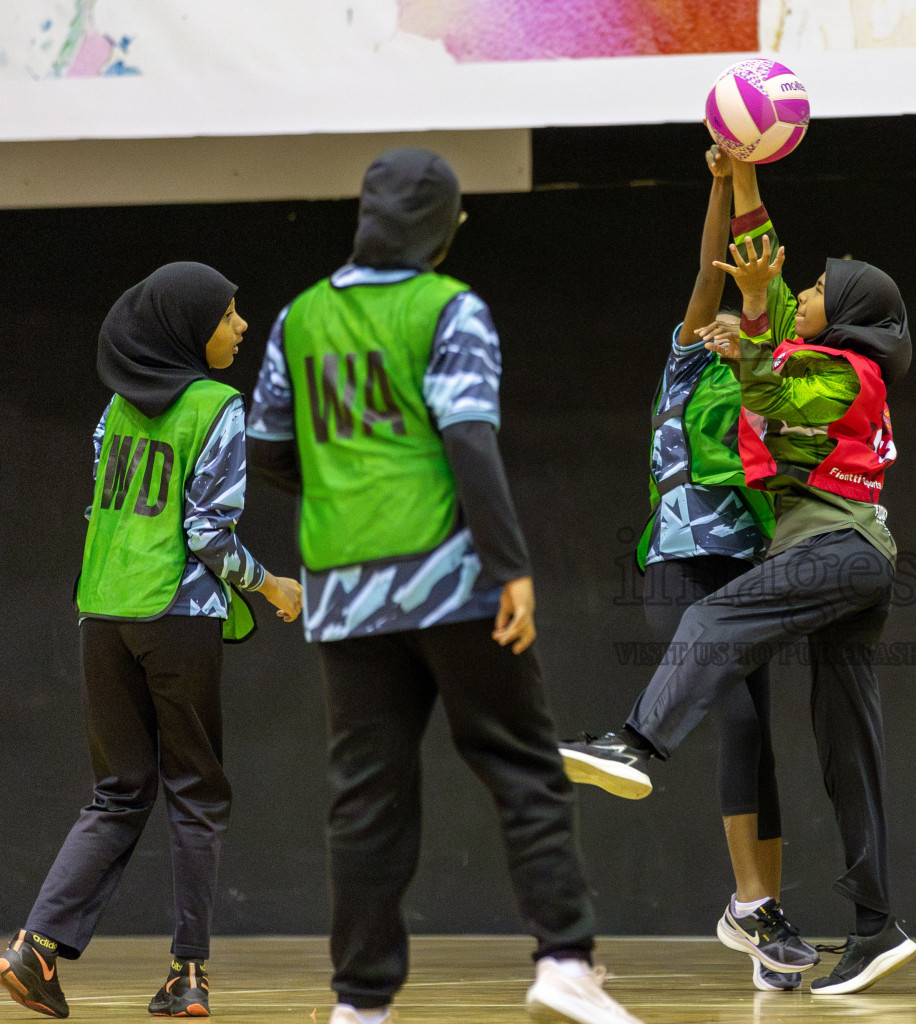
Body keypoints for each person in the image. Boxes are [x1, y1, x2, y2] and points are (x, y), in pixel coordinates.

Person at [246, 148, 641, 1024]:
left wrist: (344, 490)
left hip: (344, 593)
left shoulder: (299, 316)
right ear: (441, 227)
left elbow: (266, 450)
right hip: (449, 579)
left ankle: (359, 1004)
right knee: (523, 768)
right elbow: (468, 441)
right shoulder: (448, 307)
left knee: (367, 795)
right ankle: (564, 960)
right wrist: (511, 566)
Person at [559, 154, 916, 996]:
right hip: (795, 551)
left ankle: (638, 743)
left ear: (851, 313)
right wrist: (742, 175)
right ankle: (874, 925)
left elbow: (770, 365)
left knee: (714, 627)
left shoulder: (837, 368)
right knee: (845, 748)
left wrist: (753, 321)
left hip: (832, 548)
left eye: (822, 288)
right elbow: (750, 258)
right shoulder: (735, 352)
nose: (805, 290)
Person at [0, 263, 303, 1020]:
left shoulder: (115, 409)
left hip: (101, 615)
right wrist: (271, 588)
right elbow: (207, 534)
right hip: (177, 617)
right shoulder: (215, 407)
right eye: (230, 314)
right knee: (196, 795)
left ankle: (33, 949)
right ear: (189, 327)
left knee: (117, 792)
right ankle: (188, 977)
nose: (240, 326)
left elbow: (105, 510)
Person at [630, 144, 797, 992]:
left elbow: (763, 287)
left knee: (761, 744)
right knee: (732, 722)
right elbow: (715, 268)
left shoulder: (770, 381)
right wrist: (726, 182)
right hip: (679, 568)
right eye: (717, 320)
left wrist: (759, 323)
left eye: (742, 322)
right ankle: (747, 905)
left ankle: (766, 923)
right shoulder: (689, 362)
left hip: (749, 573)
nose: (726, 322)